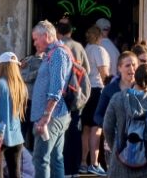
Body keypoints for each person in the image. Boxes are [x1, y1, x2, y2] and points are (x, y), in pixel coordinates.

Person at [31, 20, 73, 178]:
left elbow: (56, 87)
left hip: (51, 117)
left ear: (46, 36)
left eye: (36, 39)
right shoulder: (52, 53)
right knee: (56, 159)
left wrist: (45, 116)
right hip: (55, 115)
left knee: (41, 159)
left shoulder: (58, 53)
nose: (34, 43)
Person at [56, 19, 90, 177]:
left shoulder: (56, 46)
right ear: (70, 31)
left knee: (59, 133)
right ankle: (74, 168)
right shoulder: (78, 46)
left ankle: (60, 168)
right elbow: (87, 70)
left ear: (58, 32)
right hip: (76, 95)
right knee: (75, 131)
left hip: (59, 95)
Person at [81, 26, 110, 176]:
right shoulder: (99, 51)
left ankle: (83, 163)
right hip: (98, 90)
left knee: (86, 127)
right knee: (96, 127)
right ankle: (94, 163)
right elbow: (104, 74)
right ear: (99, 36)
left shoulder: (85, 49)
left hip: (85, 90)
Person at [94, 52, 139, 128]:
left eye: (134, 65)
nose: (131, 68)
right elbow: (97, 115)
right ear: (119, 68)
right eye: (127, 65)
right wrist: (109, 126)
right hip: (116, 137)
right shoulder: (109, 89)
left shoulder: (143, 87)